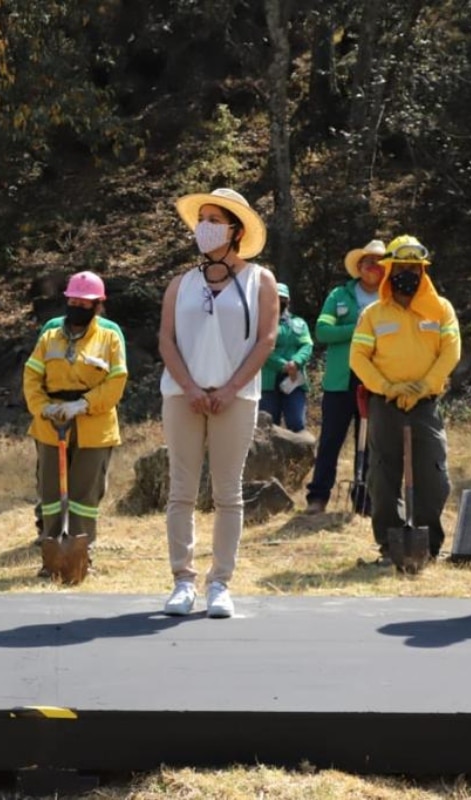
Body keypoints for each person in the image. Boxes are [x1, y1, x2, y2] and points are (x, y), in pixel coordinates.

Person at [159, 188, 278, 618]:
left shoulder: (260, 280)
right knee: (182, 491)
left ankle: (220, 584)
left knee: (228, 493)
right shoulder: (181, 283)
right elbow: (166, 340)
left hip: (237, 397)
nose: (205, 227)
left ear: (236, 230)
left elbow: (266, 339)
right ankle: (183, 581)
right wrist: (190, 387)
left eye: (215, 219)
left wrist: (229, 389)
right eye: (202, 218)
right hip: (181, 396)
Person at [349, 235, 460, 565]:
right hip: (386, 405)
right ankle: (389, 544)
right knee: (382, 477)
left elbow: (451, 352)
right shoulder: (374, 313)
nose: (407, 273)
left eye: (414, 267)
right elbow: (358, 357)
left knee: (434, 476)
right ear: (389, 270)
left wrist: (425, 386)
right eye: (401, 267)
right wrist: (386, 387)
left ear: (423, 271)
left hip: (425, 405)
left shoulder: (441, 309)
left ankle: (429, 545)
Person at [23, 271, 128, 580]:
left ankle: (82, 555)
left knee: (85, 494)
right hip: (51, 423)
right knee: (51, 491)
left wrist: (83, 404)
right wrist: (43, 408)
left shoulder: (109, 336)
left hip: (93, 425)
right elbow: (31, 377)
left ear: (97, 305)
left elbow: (117, 381)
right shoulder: (50, 335)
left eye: (84, 301)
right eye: (72, 300)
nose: (77, 305)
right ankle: (51, 553)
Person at [305, 239, 385, 515]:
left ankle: (365, 500)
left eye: (378, 262)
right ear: (359, 266)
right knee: (330, 440)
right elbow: (323, 332)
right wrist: (359, 327)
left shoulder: (390, 297)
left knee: (372, 442)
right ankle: (318, 497)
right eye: (367, 261)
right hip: (341, 379)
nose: (373, 266)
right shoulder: (339, 295)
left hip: (376, 377)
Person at [258, 282, 312, 432]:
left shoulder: (299, 323)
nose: (279, 301)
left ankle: (300, 455)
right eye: (275, 297)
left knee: (297, 422)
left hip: (294, 380)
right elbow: (261, 347)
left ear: (288, 301)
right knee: (266, 426)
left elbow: (307, 345)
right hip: (267, 381)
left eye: (282, 298)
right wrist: (283, 365)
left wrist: (296, 362)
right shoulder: (259, 323)